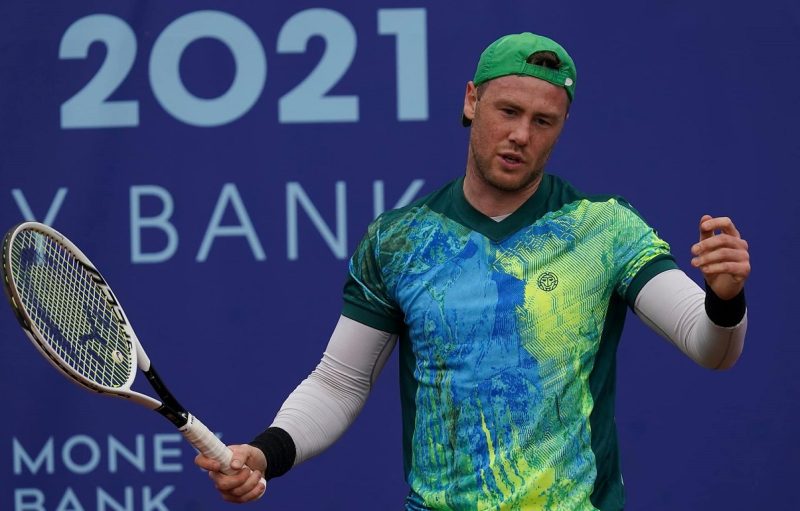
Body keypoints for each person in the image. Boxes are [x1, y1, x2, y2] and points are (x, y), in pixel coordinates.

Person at [195, 32, 750, 510]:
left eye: (543, 121)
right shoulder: (398, 241)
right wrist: (265, 453)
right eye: (508, 111)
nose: (521, 135)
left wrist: (724, 300)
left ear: (561, 128)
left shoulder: (605, 229)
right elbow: (340, 382)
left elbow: (711, 348)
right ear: (471, 100)